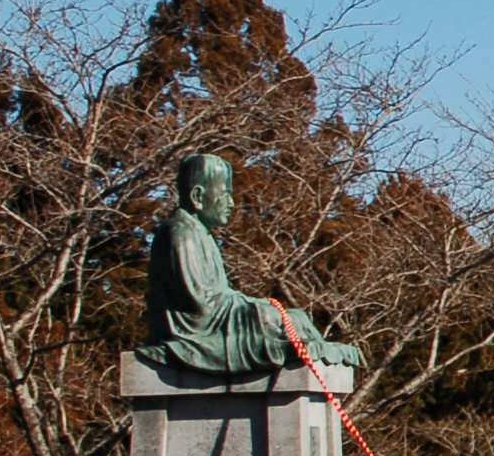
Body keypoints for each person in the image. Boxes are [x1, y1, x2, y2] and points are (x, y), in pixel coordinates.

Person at [142, 153, 360, 375]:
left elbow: (221, 293)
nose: (232, 203)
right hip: (199, 326)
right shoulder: (180, 233)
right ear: (198, 196)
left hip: (221, 314)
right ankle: (294, 345)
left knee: (295, 317)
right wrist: (252, 306)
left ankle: (314, 347)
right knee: (269, 316)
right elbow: (199, 304)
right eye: (225, 194)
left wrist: (251, 302)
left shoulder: (203, 235)